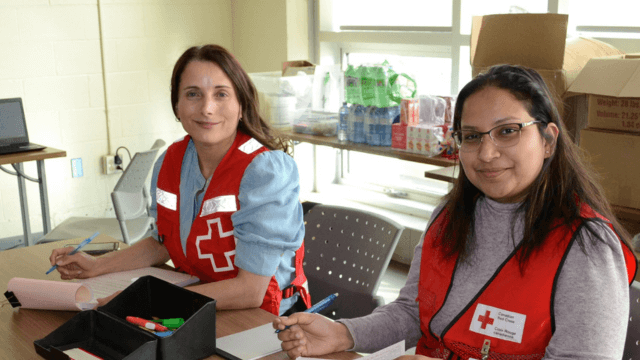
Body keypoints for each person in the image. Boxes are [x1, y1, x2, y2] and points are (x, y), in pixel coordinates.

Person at [273, 64, 637, 359]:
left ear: (547, 140)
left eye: (508, 131)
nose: (487, 154)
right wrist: (342, 334)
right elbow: (413, 313)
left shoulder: (588, 248)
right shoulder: (450, 217)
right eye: (472, 136)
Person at [49, 44, 311, 316]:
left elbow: (249, 290)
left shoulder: (266, 171)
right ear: (177, 106)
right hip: (195, 299)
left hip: (263, 317)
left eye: (221, 94)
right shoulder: (170, 161)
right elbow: (163, 242)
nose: (207, 108)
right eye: (193, 94)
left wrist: (149, 300)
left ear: (242, 105)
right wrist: (96, 265)